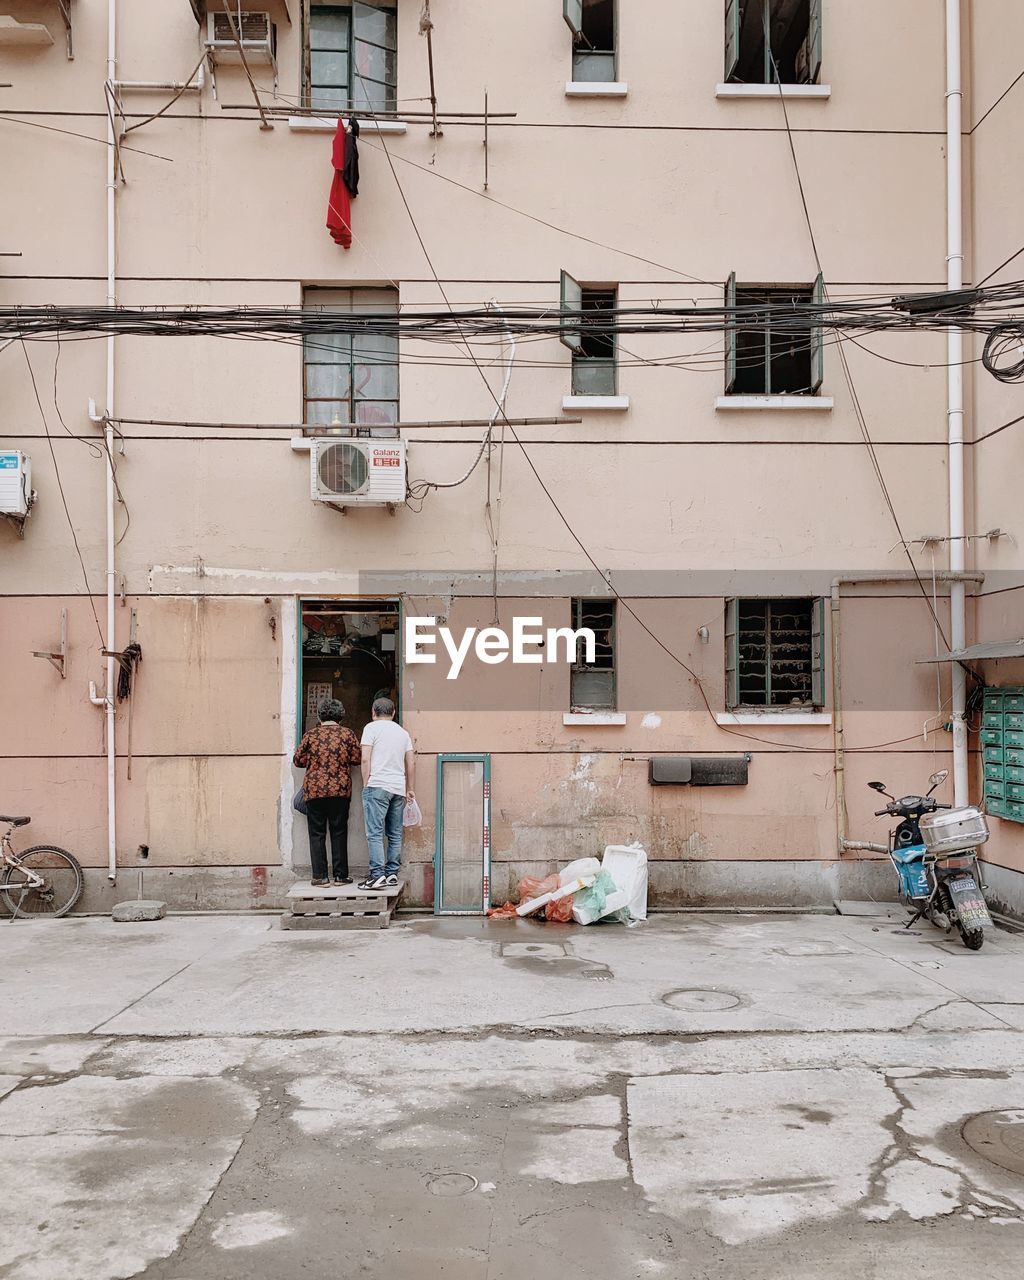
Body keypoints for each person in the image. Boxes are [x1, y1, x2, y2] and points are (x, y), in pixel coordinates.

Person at [293, 698, 361, 887]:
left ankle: (320, 877)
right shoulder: (347, 734)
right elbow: (356, 759)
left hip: (314, 790)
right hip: (340, 790)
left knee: (317, 833)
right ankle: (340, 876)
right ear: (341, 715)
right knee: (339, 831)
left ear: (320, 715)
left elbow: (298, 761)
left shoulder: (311, 735)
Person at [358, 697, 414, 891]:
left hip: (377, 785)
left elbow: (365, 759)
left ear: (374, 711)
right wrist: (409, 788)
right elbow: (411, 762)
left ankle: (377, 876)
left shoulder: (370, 729)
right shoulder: (403, 733)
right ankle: (391, 874)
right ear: (393, 713)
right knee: (395, 833)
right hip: (398, 788)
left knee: (374, 833)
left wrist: (366, 783)